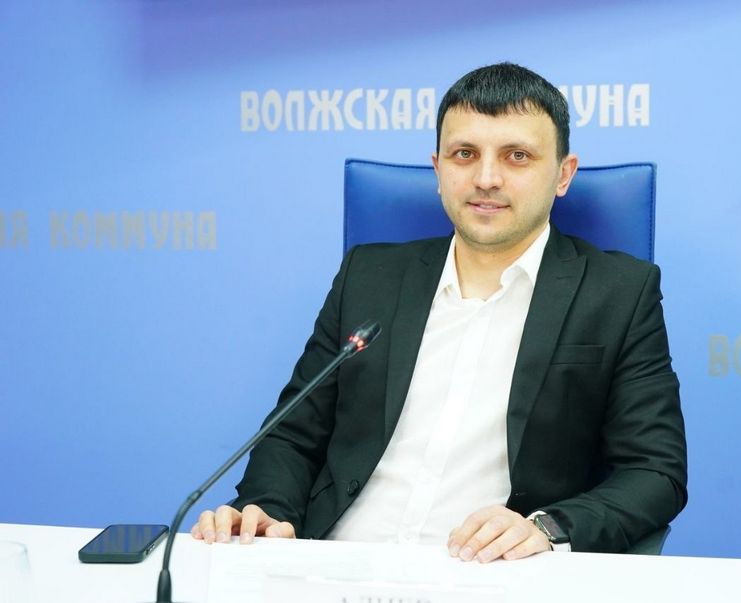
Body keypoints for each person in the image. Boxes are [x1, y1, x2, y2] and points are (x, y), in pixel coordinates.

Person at [191, 62, 687, 562]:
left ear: (563, 174)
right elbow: (293, 434)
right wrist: (268, 511)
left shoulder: (618, 294)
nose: (486, 179)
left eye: (517, 156)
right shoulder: (369, 276)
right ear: (438, 168)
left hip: (492, 573)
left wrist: (549, 526)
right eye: (464, 154)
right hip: (336, 561)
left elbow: (654, 471)